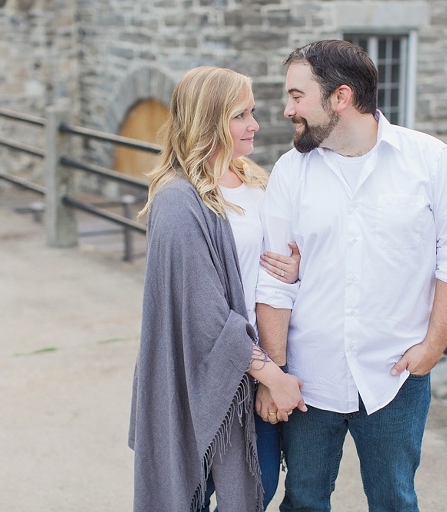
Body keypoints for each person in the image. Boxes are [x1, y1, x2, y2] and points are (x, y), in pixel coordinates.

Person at [254, 40, 447, 511]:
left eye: (297, 96)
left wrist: (433, 347)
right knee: (303, 502)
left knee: (395, 501)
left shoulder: (430, 160)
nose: (288, 109)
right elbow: (274, 281)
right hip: (308, 380)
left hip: (395, 377)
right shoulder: (290, 171)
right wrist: (274, 374)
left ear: (340, 96)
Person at [128, 66, 307, 512]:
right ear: (207, 120)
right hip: (203, 376)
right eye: (240, 115)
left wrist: (295, 266)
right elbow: (201, 313)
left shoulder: (255, 179)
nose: (254, 124)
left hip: (256, 363)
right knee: (194, 494)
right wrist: (273, 376)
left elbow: (272, 256)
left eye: (252, 112)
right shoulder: (178, 200)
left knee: (259, 486)